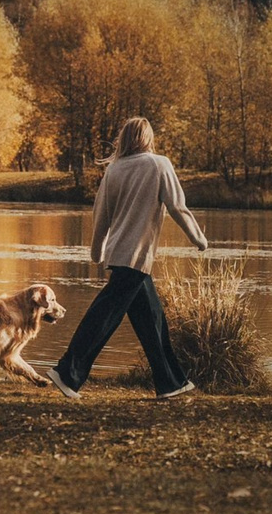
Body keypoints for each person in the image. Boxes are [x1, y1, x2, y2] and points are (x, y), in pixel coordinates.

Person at [52, 114, 208, 400]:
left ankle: (170, 382)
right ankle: (67, 373)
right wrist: (199, 238)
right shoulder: (159, 164)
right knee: (103, 318)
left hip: (121, 255)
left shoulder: (114, 169)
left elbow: (101, 215)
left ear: (124, 138)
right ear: (147, 138)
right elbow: (177, 206)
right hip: (135, 257)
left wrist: (97, 251)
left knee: (152, 321)